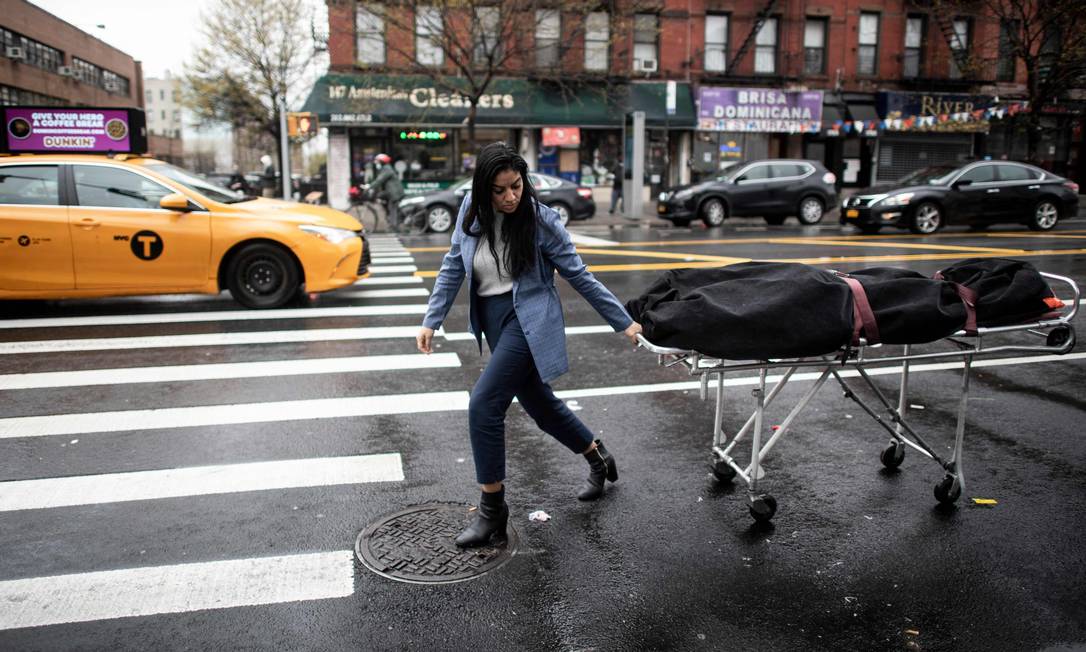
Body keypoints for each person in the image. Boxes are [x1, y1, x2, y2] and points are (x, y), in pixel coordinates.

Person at [416, 142, 643, 548]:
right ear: (484, 189)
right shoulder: (470, 209)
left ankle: (492, 512)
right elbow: (453, 264)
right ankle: (597, 456)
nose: (510, 197)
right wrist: (431, 319)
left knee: (484, 404)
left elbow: (580, 275)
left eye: (516, 186)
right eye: (500, 190)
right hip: (492, 319)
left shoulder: (540, 220)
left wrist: (623, 322)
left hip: (528, 320)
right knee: (539, 405)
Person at [367, 153, 405, 231]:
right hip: (389, 191)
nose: (376, 163)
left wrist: (369, 186)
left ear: (382, 162)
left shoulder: (387, 169)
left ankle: (393, 226)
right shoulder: (384, 169)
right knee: (379, 197)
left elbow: (379, 180)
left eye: (377, 161)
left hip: (395, 193)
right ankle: (390, 217)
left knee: (392, 207)